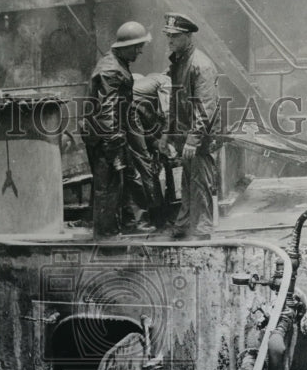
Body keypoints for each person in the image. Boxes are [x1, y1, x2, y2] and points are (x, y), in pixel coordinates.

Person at [80, 21, 152, 236]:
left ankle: (128, 224)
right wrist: (113, 144)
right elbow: (107, 110)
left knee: (123, 181)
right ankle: (106, 237)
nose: (140, 51)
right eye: (137, 46)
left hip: (113, 135)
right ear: (125, 46)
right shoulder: (111, 69)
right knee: (108, 186)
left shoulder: (117, 63)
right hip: (105, 138)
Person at [159, 12, 219, 240]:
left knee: (200, 184)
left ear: (187, 37)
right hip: (184, 136)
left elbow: (205, 107)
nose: (170, 41)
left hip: (199, 139)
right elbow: (175, 103)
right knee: (186, 182)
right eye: (168, 36)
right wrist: (167, 135)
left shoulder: (200, 65)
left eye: (174, 36)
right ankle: (184, 225)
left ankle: (202, 230)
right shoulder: (180, 63)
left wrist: (193, 140)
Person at [124, 71, 172, 230]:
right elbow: (168, 113)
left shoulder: (150, 79)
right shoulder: (167, 82)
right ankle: (157, 217)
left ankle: (152, 215)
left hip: (129, 112)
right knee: (145, 164)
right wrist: (164, 141)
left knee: (144, 164)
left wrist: (157, 143)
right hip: (130, 111)